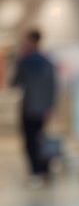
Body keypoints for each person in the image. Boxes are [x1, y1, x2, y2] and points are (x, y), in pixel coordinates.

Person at [11, 29, 57, 184]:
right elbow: (53, 86)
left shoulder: (24, 61)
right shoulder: (47, 61)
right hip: (43, 108)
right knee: (40, 139)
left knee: (31, 141)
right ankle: (44, 170)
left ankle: (36, 172)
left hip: (29, 107)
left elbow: (15, 83)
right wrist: (50, 106)